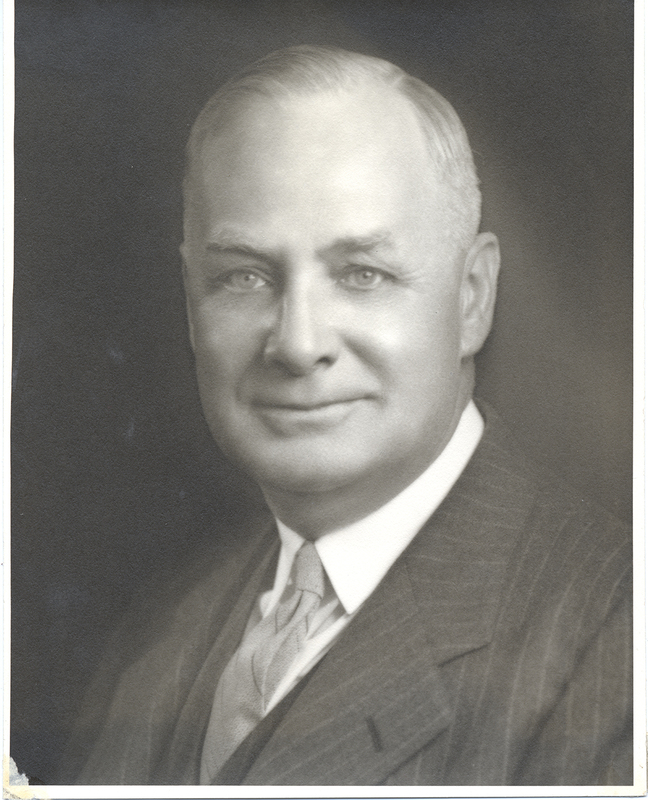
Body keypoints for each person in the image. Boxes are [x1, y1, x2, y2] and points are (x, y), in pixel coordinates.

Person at [60, 45, 632, 786]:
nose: (297, 344)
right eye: (244, 276)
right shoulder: (157, 640)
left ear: (471, 298)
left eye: (362, 274)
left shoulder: (617, 646)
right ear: (189, 297)